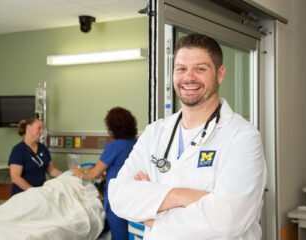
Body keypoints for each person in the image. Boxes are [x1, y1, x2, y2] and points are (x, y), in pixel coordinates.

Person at [108, 33, 267, 240]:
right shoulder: (155, 132)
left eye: (200, 69)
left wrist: (152, 208)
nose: (189, 77)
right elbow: (119, 196)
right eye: (181, 69)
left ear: (220, 74)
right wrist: (183, 196)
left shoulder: (243, 137)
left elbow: (227, 220)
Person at [71, 107, 138, 240]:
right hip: (133, 196)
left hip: (116, 198)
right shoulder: (136, 143)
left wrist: (80, 174)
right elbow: (122, 169)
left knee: (119, 235)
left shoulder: (114, 146)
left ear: (112, 127)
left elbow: (94, 174)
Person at [8, 117, 62, 196]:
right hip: (23, 195)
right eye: (39, 128)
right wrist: (34, 192)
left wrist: (68, 175)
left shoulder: (43, 148)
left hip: (40, 193)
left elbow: (51, 170)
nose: (42, 131)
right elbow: (15, 178)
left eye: (42, 129)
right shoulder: (18, 150)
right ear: (29, 128)